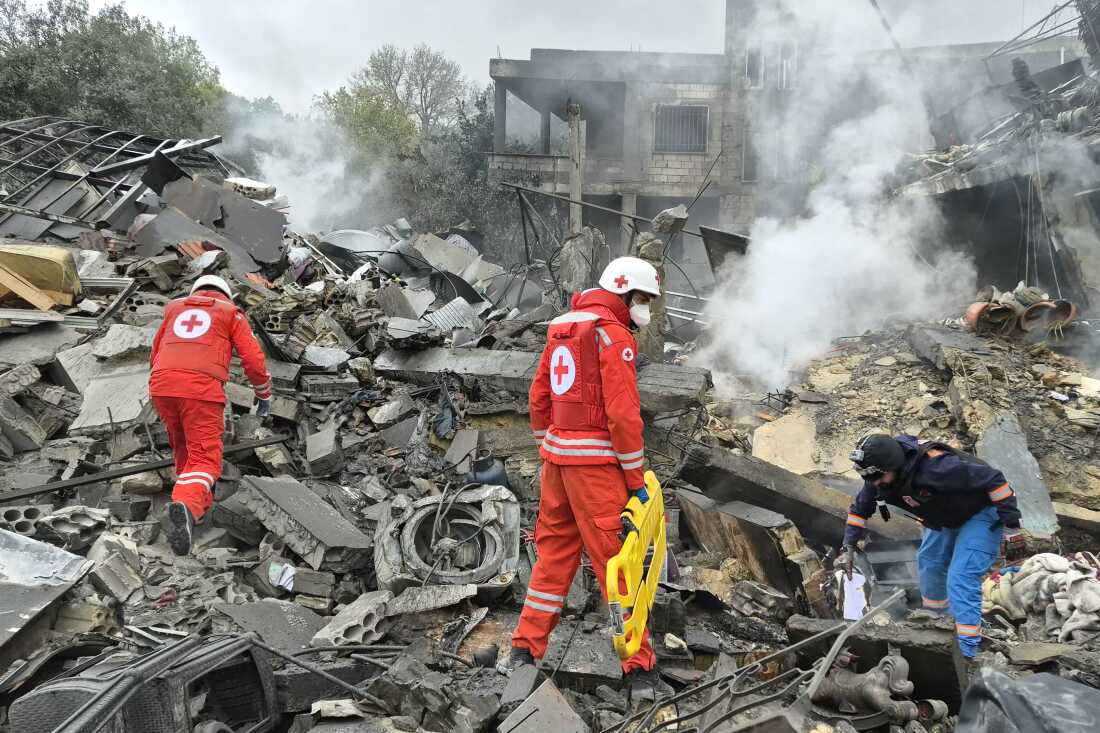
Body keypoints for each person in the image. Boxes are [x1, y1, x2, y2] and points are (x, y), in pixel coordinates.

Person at [511, 256, 662, 696]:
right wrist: (635, 480)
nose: (645, 309)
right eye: (642, 299)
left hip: (557, 464)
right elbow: (622, 415)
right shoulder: (613, 335)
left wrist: (549, 445)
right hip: (596, 470)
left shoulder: (562, 326)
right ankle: (639, 670)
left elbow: (539, 394)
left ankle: (524, 650)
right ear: (623, 292)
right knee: (618, 564)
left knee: (553, 556)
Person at [841, 434, 1025, 659]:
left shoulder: (937, 468)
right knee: (929, 563)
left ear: (893, 465)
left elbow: (995, 480)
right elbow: (860, 510)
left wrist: (1012, 526)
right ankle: (938, 623)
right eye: (871, 478)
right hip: (946, 515)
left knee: (961, 576)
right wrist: (848, 544)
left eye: (879, 477)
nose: (875, 483)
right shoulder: (878, 478)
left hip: (982, 511)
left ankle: (965, 650)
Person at [148, 275, 273, 556]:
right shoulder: (231, 313)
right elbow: (254, 360)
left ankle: (196, 513)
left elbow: (155, 352)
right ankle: (185, 505)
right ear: (226, 295)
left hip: (161, 384)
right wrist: (264, 394)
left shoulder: (174, 307)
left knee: (185, 450)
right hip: (200, 388)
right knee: (206, 459)